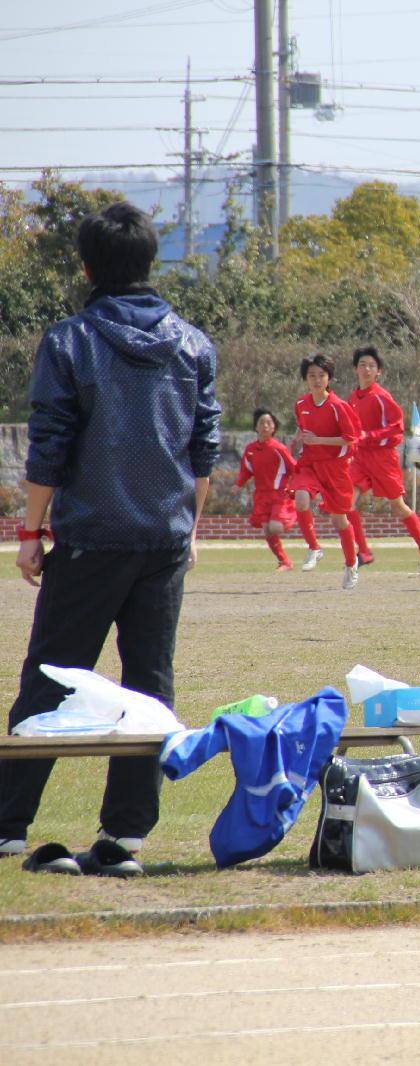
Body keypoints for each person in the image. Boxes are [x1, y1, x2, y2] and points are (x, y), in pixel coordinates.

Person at [0, 201, 221, 876]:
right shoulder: (194, 343)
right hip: (163, 537)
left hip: (93, 535)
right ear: (150, 262)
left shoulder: (69, 341)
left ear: (88, 266)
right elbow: (202, 449)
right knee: (149, 685)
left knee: (51, 678)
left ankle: (8, 825)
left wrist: (31, 530)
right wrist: (190, 530)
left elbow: (51, 446)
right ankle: (125, 838)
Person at [346, 346, 420, 580]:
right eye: (362, 364)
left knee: (398, 507)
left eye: (371, 366)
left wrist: (369, 436)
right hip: (360, 458)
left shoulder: (381, 397)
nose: (366, 369)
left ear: (379, 372)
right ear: (355, 369)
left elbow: (397, 429)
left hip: (383, 459)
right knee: (346, 502)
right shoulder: (353, 398)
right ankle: (363, 552)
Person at [288, 353, 363, 590]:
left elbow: (350, 440)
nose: (317, 380)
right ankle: (314, 548)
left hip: (336, 468)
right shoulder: (301, 404)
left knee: (339, 519)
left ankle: (351, 564)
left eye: (321, 375)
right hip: (310, 464)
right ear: (305, 379)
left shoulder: (339, 407)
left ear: (329, 378)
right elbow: (304, 429)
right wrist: (297, 440)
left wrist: (319, 439)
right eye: (312, 376)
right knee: (301, 500)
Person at [236, 408, 298, 572]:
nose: (265, 426)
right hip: (261, 495)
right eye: (261, 423)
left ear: (274, 427)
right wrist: (238, 484)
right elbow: (246, 470)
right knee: (267, 531)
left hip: (279, 494)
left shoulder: (279, 449)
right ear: (256, 427)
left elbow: (294, 469)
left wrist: (296, 488)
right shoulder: (250, 449)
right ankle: (285, 562)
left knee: (276, 527)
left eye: (268, 423)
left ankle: (293, 511)